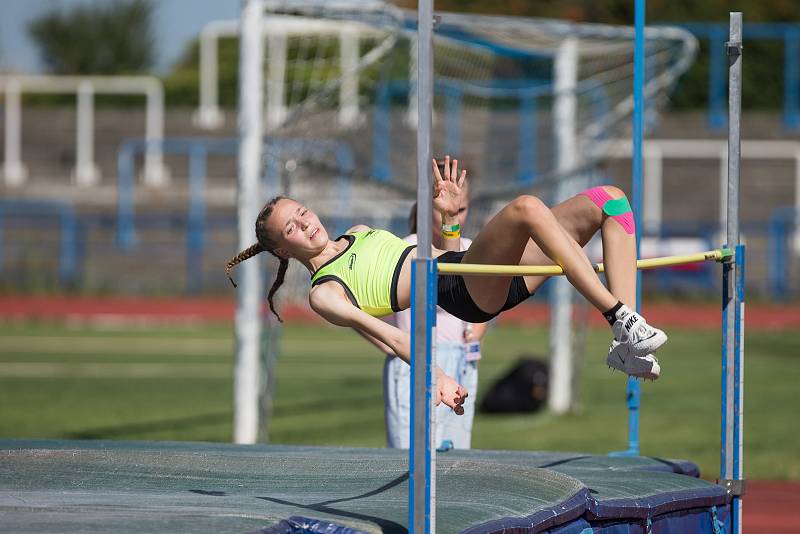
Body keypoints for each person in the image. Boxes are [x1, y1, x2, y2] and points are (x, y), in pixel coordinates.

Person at [226, 156, 666, 415]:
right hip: (466, 291)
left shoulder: (358, 231)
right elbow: (394, 335)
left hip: (473, 269)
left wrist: (451, 223)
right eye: (292, 228)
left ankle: (626, 339)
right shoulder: (325, 291)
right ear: (284, 251)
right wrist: (436, 375)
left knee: (611, 200)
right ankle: (617, 316)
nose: (305, 223)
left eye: (301, 212)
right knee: (527, 208)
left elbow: (440, 256)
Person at [380, 175, 488, 449]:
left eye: (461, 209)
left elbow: (489, 300)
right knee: (412, 456)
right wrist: (392, 345)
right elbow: (364, 307)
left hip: (463, 362)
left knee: (457, 458)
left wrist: (477, 329)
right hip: (416, 363)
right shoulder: (407, 248)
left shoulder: (472, 249)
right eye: (445, 206)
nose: (455, 215)